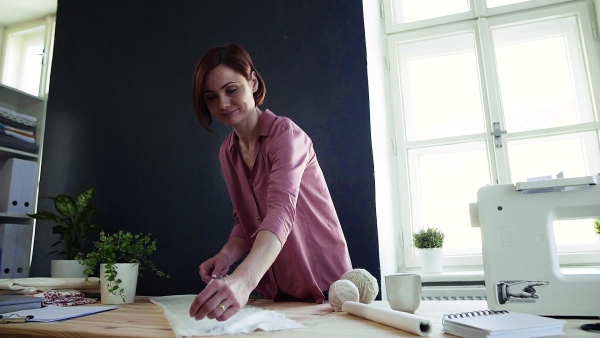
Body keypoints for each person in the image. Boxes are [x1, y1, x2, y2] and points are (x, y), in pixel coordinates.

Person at [188, 43, 353, 322]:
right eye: (211, 97)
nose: (223, 104)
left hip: (326, 288)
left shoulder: (285, 136)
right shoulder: (227, 153)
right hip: (275, 292)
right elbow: (246, 219)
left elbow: (280, 212)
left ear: (252, 81)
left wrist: (242, 281)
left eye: (231, 90)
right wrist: (226, 256)